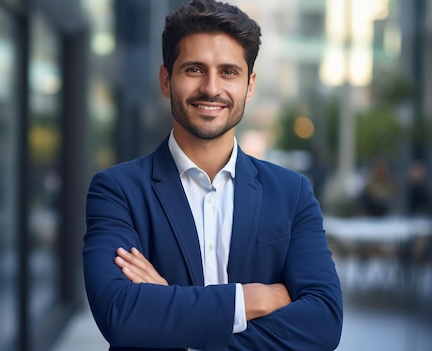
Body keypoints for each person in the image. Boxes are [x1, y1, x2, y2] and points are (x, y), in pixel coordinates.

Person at [82, 1, 343, 350]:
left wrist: (173, 316)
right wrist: (249, 299)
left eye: (229, 72)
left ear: (249, 86)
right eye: (194, 69)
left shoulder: (292, 193)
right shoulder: (118, 191)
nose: (211, 87)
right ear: (165, 80)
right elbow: (121, 314)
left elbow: (323, 323)